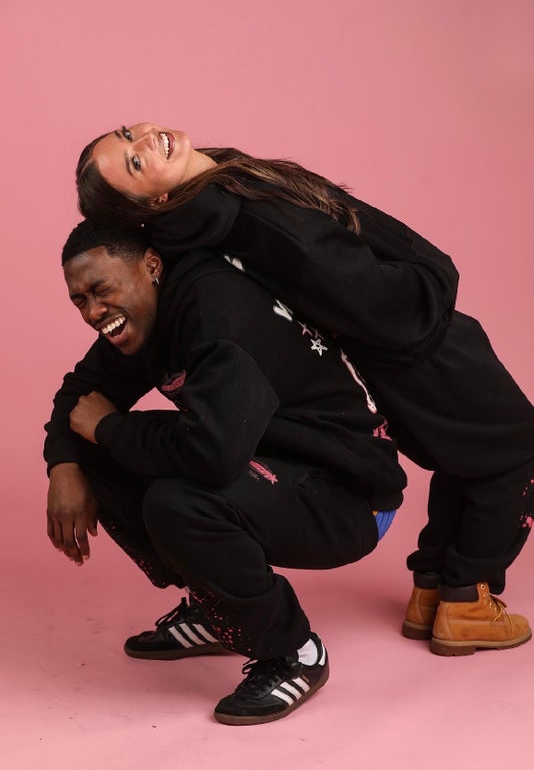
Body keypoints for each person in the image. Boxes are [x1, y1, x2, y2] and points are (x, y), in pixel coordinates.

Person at [74, 122, 534, 657]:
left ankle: (435, 591)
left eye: (128, 135)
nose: (146, 141)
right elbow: (366, 294)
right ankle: (466, 603)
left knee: (469, 458)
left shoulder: (216, 205)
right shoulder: (246, 218)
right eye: (135, 163)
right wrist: (435, 277)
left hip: (394, 358)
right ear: (153, 202)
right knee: (516, 452)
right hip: (422, 349)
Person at [45, 220, 406, 725]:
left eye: (101, 290)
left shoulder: (215, 312)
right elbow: (81, 394)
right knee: (94, 450)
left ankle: (293, 653)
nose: (92, 312)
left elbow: (213, 456)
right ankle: (218, 609)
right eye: (80, 301)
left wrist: (107, 428)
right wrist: (63, 465)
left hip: (349, 494)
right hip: (267, 461)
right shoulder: (145, 315)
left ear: (151, 265)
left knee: (179, 502)